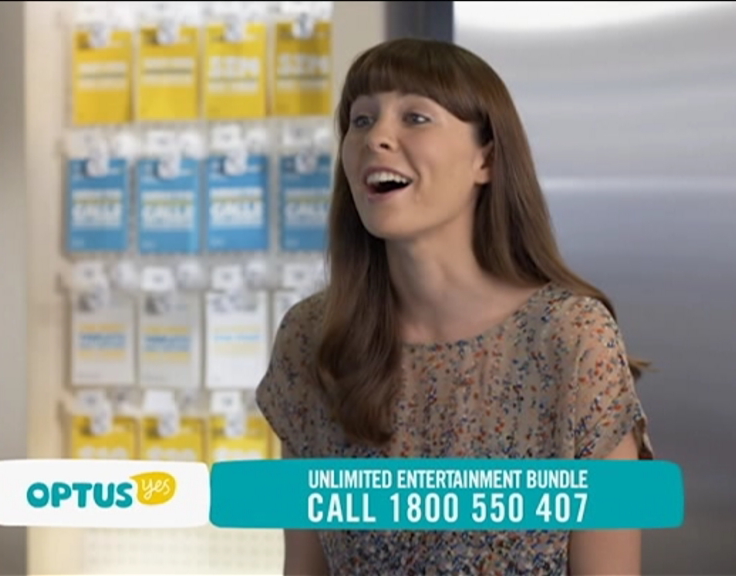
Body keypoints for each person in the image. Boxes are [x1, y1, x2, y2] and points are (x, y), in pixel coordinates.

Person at [256, 37, 654, 576]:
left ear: (485, 158)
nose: (376, 138)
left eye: (415, 117)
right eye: (361, 120)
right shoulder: (312, 338)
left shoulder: (571, 338)